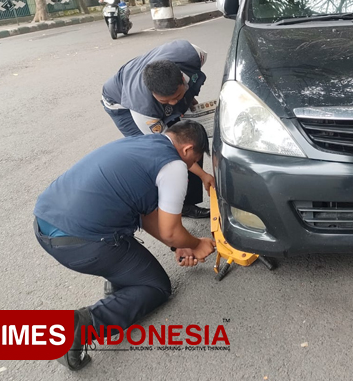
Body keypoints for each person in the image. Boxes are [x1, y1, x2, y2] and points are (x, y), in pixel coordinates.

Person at [33, 120, 216, 371]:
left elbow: (148, 214)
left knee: (130, 253)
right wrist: (197, 243)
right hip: (81, 242)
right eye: (192, 160)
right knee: (156, 287)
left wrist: (178, 246)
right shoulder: (173, 165)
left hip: (46, 224)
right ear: (187, 150)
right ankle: (80, 329)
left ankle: (120, 283)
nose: (189, 167)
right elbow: (171, 230)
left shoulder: (141, 142)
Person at [101, 40, 213, 218]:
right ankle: (168, 206)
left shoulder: (193, 54)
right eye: (165, 102)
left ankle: (189, 200)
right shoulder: (143, 109)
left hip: (148, 79)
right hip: (120, 105)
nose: (174, 103)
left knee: (191, 137)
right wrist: (203, 175)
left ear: (182, 80)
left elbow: (186, 89)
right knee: (161, 155)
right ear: (153, 94)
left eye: (177, 96)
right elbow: (171, 150)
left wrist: (189, 99)